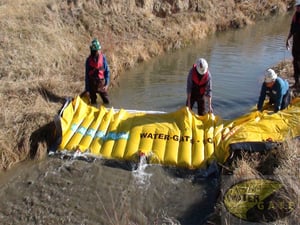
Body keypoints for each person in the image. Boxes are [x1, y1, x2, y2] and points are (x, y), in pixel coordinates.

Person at [84, 38, 110, 104]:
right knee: (93, 102)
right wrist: (87, 90)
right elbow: (87, 76)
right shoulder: (88, 60)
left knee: (107, 101)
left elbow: (107, 71)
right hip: (91, 84)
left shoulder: (103, 58)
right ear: (94, 51)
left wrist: (106, 84)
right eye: (98, 50)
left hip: (100, 83)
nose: (99, 51)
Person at [286, 0, 300, 88]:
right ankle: (296, 82)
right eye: (297, 6)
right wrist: (288, 40)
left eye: (299, 6)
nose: (298, 8)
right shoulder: (295, 16)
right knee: (295, 62)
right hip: (296, 43)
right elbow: (292, 28)